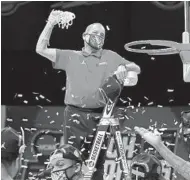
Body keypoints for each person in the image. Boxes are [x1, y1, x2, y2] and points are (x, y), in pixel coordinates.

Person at [36, 10, 141, 180]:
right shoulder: (71, 56)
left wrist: (125, 68)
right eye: (95, 33)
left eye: (102, 35)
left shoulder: (111, 56)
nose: (99, 37)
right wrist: (51, 23)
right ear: (85, 36)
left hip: (101, 116)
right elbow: (40, 49)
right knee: (71, 160)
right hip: (74, 116)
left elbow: (137, 68)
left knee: (97, 164)